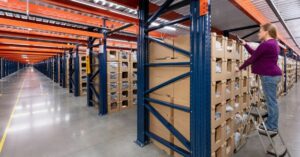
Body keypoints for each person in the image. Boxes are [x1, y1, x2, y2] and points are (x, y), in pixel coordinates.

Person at [237, 23, 282, 134]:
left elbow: (253, 58)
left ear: (266, 31)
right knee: (271, 101)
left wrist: (239, 68)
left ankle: (272, 126)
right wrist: (245, 44)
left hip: (269, 76)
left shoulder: (267, 44)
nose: (259, 33)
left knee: (271, 102)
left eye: (260, 31)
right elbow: (256, 54)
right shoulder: (272, 43)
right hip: (272, 75)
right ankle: (271, 122)